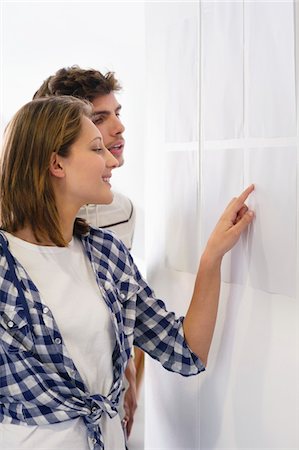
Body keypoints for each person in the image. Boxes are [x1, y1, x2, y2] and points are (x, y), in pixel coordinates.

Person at [0, 95, 254, 450]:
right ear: (56, 163)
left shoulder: (107, 254)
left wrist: (211, 258)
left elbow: (187, 352)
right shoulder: (5, 265)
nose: (110, 160)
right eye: (96, 149)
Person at [33, 65, 141, 437]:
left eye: (117, 114)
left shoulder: (119, 213)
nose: (117, 128)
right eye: (99, 119)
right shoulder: (14, 227)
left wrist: (127, 374)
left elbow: (121, 306)